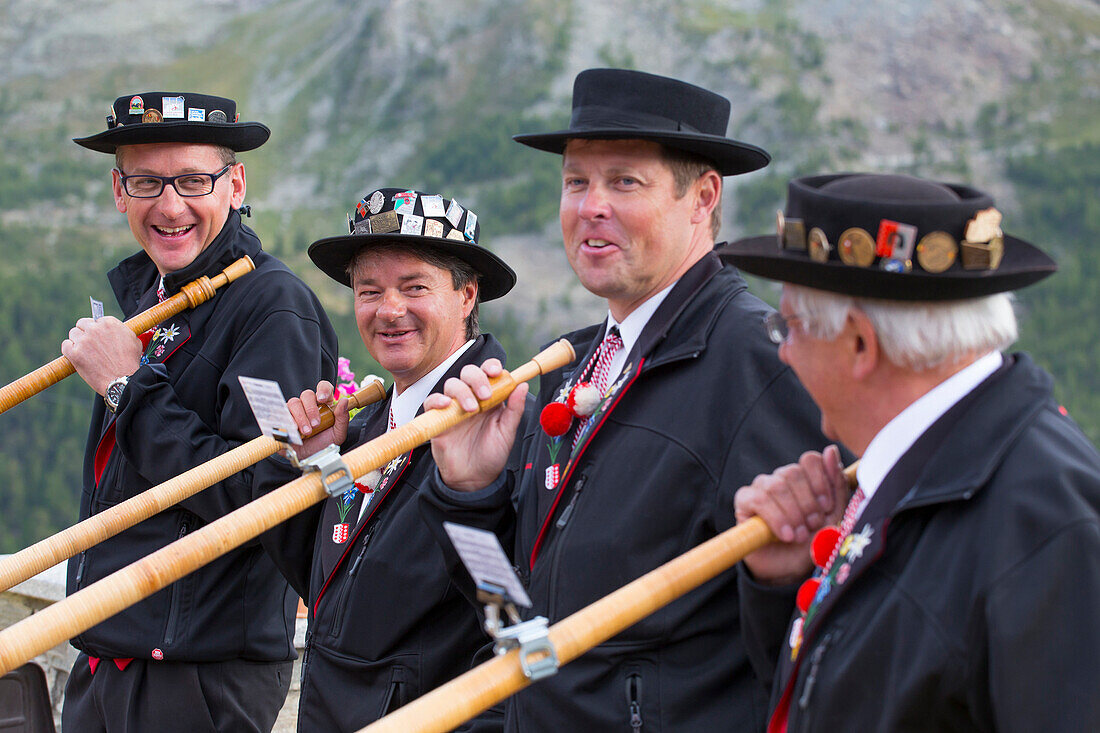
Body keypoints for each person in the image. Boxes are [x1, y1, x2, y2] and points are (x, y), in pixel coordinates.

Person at [421, 68, 834, 731]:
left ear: (702, 197)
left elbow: (805, 634)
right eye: (576, 181)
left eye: (625, 182)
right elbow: (512, 621)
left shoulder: (758, 364)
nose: (590, 206)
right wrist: (469, 493)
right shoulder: (571, 363)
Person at [720, 173, 1100, 730]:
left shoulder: (1047, 525)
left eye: (789, 327)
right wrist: (786, 588)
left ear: (859, 344)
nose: (784, 354)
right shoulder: (925, 471)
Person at [60, 92, 338, 732]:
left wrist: (129, 387)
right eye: (147, 182)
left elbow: (260, 501)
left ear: (235, 183)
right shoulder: (156, 296)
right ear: (118, 190)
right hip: (112, 652)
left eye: (193, 180)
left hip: (196, 676)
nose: (169, 205)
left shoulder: (271, 307)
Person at [254, 188, 518, 731]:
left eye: (414, 287)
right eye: (369, 290)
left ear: (467, 296)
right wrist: (313, 466)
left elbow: (511, 614)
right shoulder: (374, 421)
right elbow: (327, 588)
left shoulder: (500, 425)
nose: (388, 310)